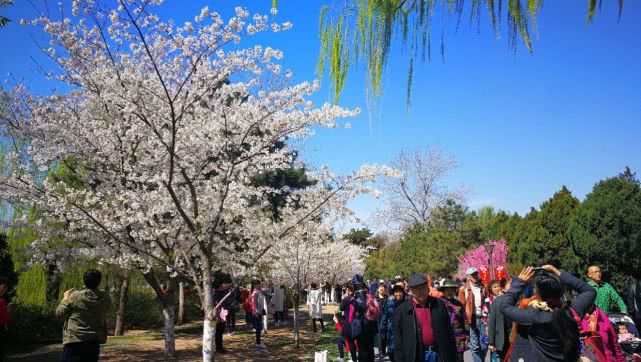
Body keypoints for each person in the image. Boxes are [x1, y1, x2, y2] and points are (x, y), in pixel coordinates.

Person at [497, 265, 596, 362]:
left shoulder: (533, 316)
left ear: (536, 293)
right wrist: (558, 272)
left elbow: (504, 306)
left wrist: (519, 282)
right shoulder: (572, 311)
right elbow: (590, 291)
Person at [394, 273, 458, 362]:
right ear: (411, 290)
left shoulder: (439, 304)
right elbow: (398, 341)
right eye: (417, 289)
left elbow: (449, 333)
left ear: (427, 287)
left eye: (423, 287)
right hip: (416, 355)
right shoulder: (402, 310)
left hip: (438, 354)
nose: (421, 291)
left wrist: (453, 356)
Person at [56, 269, 111, 362]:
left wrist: (65, 298)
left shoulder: (75, 296)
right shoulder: (105, 298)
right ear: (99, 281)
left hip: (74, 340)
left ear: (84, 280)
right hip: (94, 341)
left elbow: (59, 313)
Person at [458, 267, 487, 362]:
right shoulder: (463, 289)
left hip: (483, 319)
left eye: (476, 274)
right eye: (472, 275)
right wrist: (465, 319)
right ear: (468, 277)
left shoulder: (483, 287)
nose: (475, 276)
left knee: (484, 344)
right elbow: (461, 306)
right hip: (471, 319)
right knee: (474, 345)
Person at [439, 279, 467, 362]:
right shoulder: (439, 303)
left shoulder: (458, 304)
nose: (450, 292)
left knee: (460, 359)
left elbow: (464, 320)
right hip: (444, 337)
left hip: (459, 337)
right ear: (444, 291)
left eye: (452, 290)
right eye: (447, 290)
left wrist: (467, 336)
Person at [488, 278, 511, 361]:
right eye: (494, 287)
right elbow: (491, 322)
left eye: (498, 286)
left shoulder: (516, 299)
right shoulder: (495, 301)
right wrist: (491, 342)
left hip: (512, 336)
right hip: (501, 336)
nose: (497, 288)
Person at [380, 284, 405, 362]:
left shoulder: (407, 304)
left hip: (404, 330)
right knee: (391, 352)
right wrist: (383, 329)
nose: (398, 294)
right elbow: (384, 317)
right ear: (393, 293)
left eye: (400, 292)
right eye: (396, 292)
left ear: (403, 293)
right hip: (392, 330)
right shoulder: (389, 304)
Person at [340, 283, 359, 362]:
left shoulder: (346, 299)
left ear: (348, 290)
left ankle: (354, 359)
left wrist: (344, 298)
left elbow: (341, 308)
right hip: (358, 323)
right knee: (359, 342)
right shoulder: (358, 298)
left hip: (348, 324)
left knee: (351, 342)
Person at [213, 278, 232, 354]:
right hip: (218, 315)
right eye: (225, 283)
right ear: (221, 284)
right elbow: (217, 305)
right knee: (218, 331)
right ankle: (218, 348)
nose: (227, 285)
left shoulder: (224, 292)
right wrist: (218, 316)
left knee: (220, 331)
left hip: (223, 314)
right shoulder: (217, 293)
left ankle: (220, 347)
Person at [250, 279, 267, 350]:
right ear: (254, 285)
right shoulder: (255, 293)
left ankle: (259, 342)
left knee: (259, 328)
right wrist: (256, 312)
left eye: (259, 284)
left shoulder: (258, 291)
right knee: (258, 328)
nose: (259, 285)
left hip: (259, 312)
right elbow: (253, 304)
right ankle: (258, 343)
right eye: (258, 284)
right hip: (257, 313)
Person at [374, 283, 388, 359]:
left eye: (383, 287)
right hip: (377, 319)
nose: (381, 289)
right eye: (380, 287)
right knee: (378, 335)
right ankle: (379, 351)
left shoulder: (387, 298)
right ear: (377, 289)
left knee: (384, 335)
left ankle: (383, 350)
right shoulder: (375, 298)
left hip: (385, 318)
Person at [0, 278, 11, 362]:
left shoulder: (3, 300)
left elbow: (5, 315)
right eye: (3, 288)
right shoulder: (2, 301)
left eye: (5, 289)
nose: (4, 290)